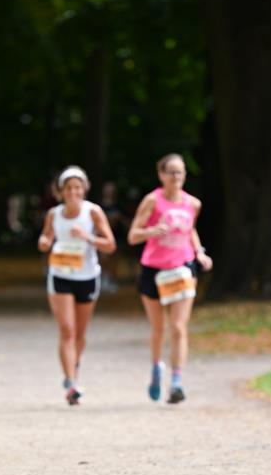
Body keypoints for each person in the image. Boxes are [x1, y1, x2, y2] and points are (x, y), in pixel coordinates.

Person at [127, 153, 213, 404]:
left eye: (180, 172)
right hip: (154, 270)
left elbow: (190, 229)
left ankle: (176, 382)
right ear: (161, 175)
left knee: (178, 327)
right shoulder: (152, 201)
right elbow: (133, 235)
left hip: (182, 269)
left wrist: (199, 252)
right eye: (171, 172)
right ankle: (156, 369)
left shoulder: (192, 203)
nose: (176, 176)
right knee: (159, 328)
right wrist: (151, 231)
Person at [37, 166, 115, 405]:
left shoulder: (93, 212)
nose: (73, 192)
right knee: (67, 330)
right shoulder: (54, 214)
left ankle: (74, 368)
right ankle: (71, 383)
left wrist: (87, 237)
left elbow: (110, 244)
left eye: (78, 188)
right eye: (69, 188)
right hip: (60, 275)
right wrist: (44, 241)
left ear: (84, 189)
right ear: (61, 191)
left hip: (87, 276)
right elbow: (46, 238)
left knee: (80, 333)